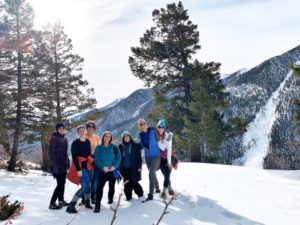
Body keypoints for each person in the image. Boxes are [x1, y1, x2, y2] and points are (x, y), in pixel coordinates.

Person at [66, 125, 94, 213]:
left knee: (88, 185)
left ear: (85, 131)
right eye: (80, 131)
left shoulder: (88, 141)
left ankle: (87, 202)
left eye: (83, 130)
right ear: (78, 133)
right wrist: (78, 170)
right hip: (80, 167)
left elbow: (88, 153)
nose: (82, 132)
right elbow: (74, 157)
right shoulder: (75, 143)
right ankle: (71, 205)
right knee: (84, 186)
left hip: (89, 166)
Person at [93, 131, 121, 213]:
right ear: (103, 137)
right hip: (103, 171)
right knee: (100, 187)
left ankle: (110, 199)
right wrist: (102, 167)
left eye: (109, 136)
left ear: (110, 138)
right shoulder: (98, 147)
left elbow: (119, 157)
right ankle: (97, 204)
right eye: (106, 136)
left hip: (112, 170)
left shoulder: (114, 147)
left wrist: (114, 166)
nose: (107, 138)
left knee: (111, 186)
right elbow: (96, 159)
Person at [138, 118, 161, 201]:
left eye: (143, 123)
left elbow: (162, 133)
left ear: (146, 123)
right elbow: (139, 146)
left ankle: (151, 193)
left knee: (151, 173)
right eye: (141, 124)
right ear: (139, 126)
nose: (142, 125)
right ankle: (157, 188)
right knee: (152, 173)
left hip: (156, 155)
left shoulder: (153, 130)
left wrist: (168, 137)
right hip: (147, 157)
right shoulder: (140, 136)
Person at [48, 123, 69, 210]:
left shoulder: (64, 139)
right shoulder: (53, 139)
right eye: (60, 128)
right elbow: (51, 153)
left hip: (64, 165)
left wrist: (68, 162)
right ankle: (52, 203)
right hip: (57, 165)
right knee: (60, 184)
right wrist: (54, 166)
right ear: (57, 130)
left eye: (63, 128)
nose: (62, 130)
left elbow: (65, 152)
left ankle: (61, 200)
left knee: (62, 183)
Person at [118, 131, 144, 201]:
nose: (126, 138)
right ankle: (128, 197)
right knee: (126, 183)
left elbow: (139, 157)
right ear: (123, 138)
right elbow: (117, 156)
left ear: (130, 137)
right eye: (125, 137)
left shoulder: (135, 145)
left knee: (134, 181)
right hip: (124, 168)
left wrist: (139, 167)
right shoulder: (120, 146)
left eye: (127, 136)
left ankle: (140, 195)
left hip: (134, 167)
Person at [156, 119, 175, 199]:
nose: (160, 128)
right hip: (161, 159)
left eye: (162, 127)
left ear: (164, 128)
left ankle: (164, 191)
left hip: (170, 157)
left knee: (167, 174)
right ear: (157, 127)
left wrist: (169, 162)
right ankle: (170, 187)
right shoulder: (155, 136)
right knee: (165, 175)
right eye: (159, 127)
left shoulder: (168, 136)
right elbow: (161, 147)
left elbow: (169, 150)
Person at [85, 121, 101, 204]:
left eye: (92, 127)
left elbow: (100, 148)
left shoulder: (97, 137)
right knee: (87, 179)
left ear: (94, 128)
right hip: (86, 160)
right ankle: (85, 197)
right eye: (89, 127)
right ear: (86, 128)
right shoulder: (83, 136)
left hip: (95, 160)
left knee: (95, 179)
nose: (90, 128)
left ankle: (93, 196)